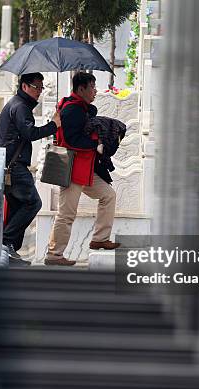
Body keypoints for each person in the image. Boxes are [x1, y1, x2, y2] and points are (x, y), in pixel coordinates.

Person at [45, 72, 121, 266]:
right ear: (81, 89)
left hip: (85, 168)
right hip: (72, 168)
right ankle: (54, 255)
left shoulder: (79, 108)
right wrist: (95, 142)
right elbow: (71, 140)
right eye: (92, 87)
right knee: (67, 213)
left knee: (108, 195)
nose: (95, 91)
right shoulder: (72, 110)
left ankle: (100, 239)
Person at [0, 72, 61, 265]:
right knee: (33, 203)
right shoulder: (20, 106)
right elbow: (30, 133)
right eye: (36, 87)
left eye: (41, 88)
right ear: (25, 86)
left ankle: (10, 251)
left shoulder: (18, 105)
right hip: (15, 166)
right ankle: (6, 242)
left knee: (17, 208)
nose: (39, 92)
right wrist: (53, 126)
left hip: (11, 164)